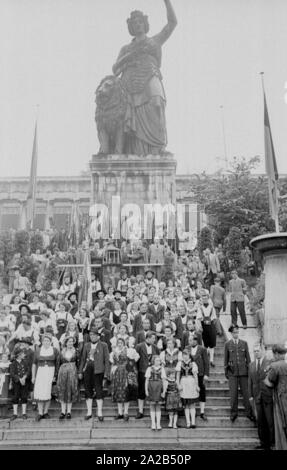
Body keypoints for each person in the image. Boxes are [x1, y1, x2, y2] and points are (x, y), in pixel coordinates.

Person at [224, 325, 254, 423]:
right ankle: (233, 413)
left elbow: (248, 359)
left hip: (244, 373)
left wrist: (249, 371)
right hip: (232, 373)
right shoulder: (227, 344)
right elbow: (226, 360)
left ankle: (249, 413)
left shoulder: (244, 343)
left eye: (237, 332)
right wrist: (226, 372)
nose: (236, 334)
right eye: (234, 332)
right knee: (233, 394)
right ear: (231, 333)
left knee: (246, 393)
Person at [78, 328, 110, 421]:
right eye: (91, 335)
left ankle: (99, 412)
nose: (92, 337)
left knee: (99, 390)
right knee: (88, 390)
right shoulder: (87, 345)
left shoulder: (104, 345)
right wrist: (80, 371)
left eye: (94, 335)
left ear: (98, 336)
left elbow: (106, 360)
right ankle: (89, 412)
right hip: (88, 369)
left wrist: (106, 373)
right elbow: (83, 359)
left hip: (99, 370)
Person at [248, 343, 274, 450]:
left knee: (269, 421)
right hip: (257, 397)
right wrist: (250, 395)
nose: (256, 353)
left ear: (262, 351)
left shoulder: (269, 363)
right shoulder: (251, 365)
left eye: (258, 350)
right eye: (254, 351)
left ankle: (271, 443)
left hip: (267, 396)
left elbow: (272, 380)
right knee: (260, 422)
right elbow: (250, 381)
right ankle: (262, 443)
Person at [110, 337, 139, 421]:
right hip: (117, 373)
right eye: (118, 343)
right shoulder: (113, 352)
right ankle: (120, 413)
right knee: (118, 392)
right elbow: (112, 363)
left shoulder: (129, 351)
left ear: (124, 343)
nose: (119, 344)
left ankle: (126, 412)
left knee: (126, 392)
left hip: (126, 372)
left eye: (121, 343)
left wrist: (130, 366)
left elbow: (136, 358)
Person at [32, 333, 60, 421]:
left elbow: (57, 364)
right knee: (40, 392)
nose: (46, 342)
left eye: (48, 341)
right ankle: (40, 412)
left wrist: (55, 375)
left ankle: (45, 412)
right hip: (40, 373)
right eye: (44, 340)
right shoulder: (38, 350)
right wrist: (33, 376)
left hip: (50, 373)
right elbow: (34, 364)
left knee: (48, 392)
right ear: (42, 341)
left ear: (51, 342)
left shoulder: (55, 350)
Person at [266, 345, 287, 450]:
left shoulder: (275, 366)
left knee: (281, 426)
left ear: (277, 354)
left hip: (281, 399)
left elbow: (269, 383)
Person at [135, 331, 159, 419]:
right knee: (141, 391)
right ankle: (140, 411)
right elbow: (135, 360)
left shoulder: (155, 347)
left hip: (153, 372)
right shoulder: (139, 346)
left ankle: (152, 411)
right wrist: (137, 371)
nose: (154, 340)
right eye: (153, 338)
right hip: (142, 371)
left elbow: (158, 359)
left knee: (152, 390)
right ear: (148, 338)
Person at [57, 336, 79, 420]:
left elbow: (78, 362)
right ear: (66, 343)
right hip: (62, 372)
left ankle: (69, 411)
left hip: (72, 372)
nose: (70, 343)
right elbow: (58, 363)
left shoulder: (76, 351)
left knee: (71, 389)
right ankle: (63, 411)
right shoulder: (61, 351)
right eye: (69, 341)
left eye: (72, 341)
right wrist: (56, 374)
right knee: (63, 389)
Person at [176, 349, 199, 428]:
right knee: (186, 405)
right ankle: (188, 423)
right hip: (183, 382)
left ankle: (193, 422)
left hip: (191, 382)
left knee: (192, 404)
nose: (185, 356)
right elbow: (178, 375)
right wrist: (178, 384)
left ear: (189, 356)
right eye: (184, 355)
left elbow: (195, 376)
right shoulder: (180, 363)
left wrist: (197, 385)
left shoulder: (193, 364)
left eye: (186, 355)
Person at [190, 334, 209, 421]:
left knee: (202, 392)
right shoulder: (187, 348)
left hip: (200, 374)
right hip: (189, 374)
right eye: (190, 340)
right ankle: (191, 411)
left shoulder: (202, 349)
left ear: (197, 340)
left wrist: (206, 374)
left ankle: (202, 412)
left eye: (194, 340)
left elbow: (206, 362)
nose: (192, 341)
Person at [145, 355, 167, 430]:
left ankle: (158, 424)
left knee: (158, 406)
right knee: (152, 406)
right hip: (151, 387)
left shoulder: (162, 369)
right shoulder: (149, 368)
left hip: (159, 388)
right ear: (153, 361)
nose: (159, 362)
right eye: (157, 360)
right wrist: (146, 390)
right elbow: (147, 380)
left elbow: (164, 380)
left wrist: (164, 390)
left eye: (159, 360)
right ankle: (153, 423)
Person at [9, 345, 31, 420]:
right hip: (16, 383)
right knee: (15, 397)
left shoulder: (25, 362)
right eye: (22, 353)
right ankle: (15, 414)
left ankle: (24, 413)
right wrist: (19, 379)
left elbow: (28, 371)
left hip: (24, 382)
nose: (24, 355)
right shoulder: (13, 363)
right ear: (18, 355)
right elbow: (12, 373)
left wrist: (24, 377)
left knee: (24, 396)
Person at [196, 292, 217, 367]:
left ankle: (211, 360)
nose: (204, 300)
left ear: (208, 299)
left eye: (206, 298)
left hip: (210, 326)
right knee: (204, 344)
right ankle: (205, 360)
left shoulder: (211, 307)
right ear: (201, 299)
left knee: (212, 344)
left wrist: (212, 325)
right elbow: (198, 319)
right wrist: (200, 327)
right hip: (203, 326)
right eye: (203, 298)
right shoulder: (200, 308)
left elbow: (214, 318)